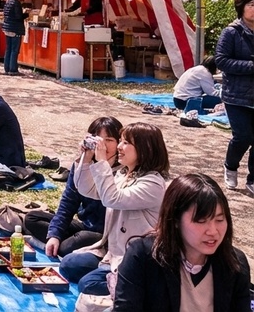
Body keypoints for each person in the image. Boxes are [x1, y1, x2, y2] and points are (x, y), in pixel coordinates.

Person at [59, 122, 169, 297]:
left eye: (125, 142)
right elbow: (85, 189)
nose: (119, 146)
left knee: (87, 285)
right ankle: (117, 279)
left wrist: (102, 160)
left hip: (137, 260)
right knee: (68, 265)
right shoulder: (124, 174)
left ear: (145, 148)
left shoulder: (153, 183)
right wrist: (87, 158)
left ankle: (143, 292)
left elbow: (112, 198)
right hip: (114, 254)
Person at [113, 173, 251, 311]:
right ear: (175, 220)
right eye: (201, 221)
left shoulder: (234, 263)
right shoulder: (143, 256)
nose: (213, 231)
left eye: (219, 220)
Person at [24, 117, 123, 258]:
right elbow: (69, 201)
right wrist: (55, 234)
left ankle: (61, 248)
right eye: (97, 139)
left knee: (80, 240)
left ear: (119, 143)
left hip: (105, 233)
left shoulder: (123, 170)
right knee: (32, 218)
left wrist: (102, 162)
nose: (102, 145)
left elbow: (111, 202)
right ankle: (58, 245)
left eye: (109, 140)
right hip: (84, 225)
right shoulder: (83, 165)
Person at [215, 0, 254, 194]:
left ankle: (253, 179)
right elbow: (221, 60)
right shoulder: (231, 32)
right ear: (241, 8)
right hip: (236, 95)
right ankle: (230, 167)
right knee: (243, 136)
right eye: (251, 5)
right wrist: (250, 66)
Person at [1, 0, 27, 75]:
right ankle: (13, 69)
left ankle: (7, 68)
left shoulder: (8, 1)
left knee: (8, 49)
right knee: (14, 50)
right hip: (15, 28)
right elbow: (18, 17)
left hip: (7, 27)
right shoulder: (16, 3)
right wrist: (26, 14)